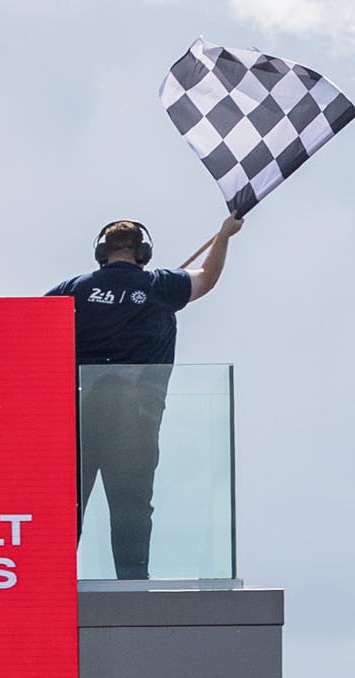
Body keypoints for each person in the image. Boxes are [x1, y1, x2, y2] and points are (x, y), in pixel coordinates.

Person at [48, 214, 241, 581]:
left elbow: (30, 324)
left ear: (101, 253)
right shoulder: (160, 285)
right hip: (136, 418)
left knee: (67, 507)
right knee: (131, 507)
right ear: (143, 252)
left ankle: (51, 582)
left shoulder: (74, 289)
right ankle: (133, 585)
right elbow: (207, 277)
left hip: (78, 417)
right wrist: (225, 235)